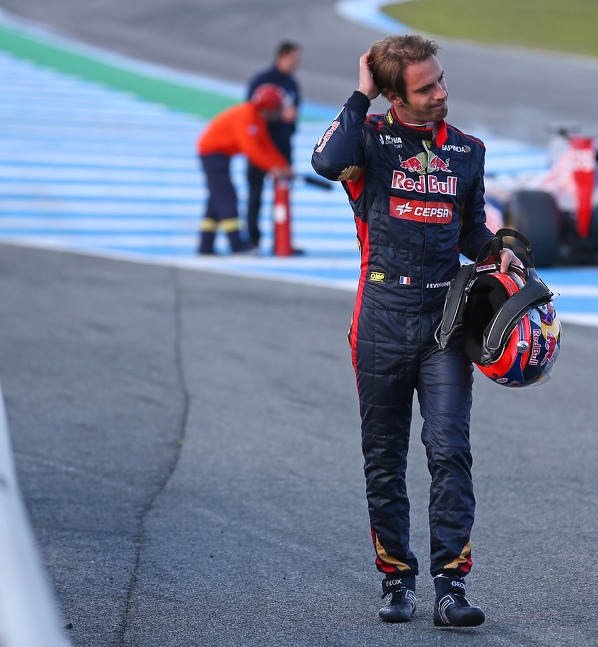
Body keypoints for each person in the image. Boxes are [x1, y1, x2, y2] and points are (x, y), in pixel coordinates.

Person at [310, 34, 518, 627]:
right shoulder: (368, 144)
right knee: (384, 457)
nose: (441, 94)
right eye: (425, 88)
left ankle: (450, 588)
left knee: (449, 450)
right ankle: (396, 579)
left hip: (444, 325)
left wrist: (498, 251)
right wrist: (360, 93)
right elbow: (325, 162)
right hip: (378, 320)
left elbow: (473, 233)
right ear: (395, 97)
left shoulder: (468, 152)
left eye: (441, 80)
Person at [196, 84, 292, 255]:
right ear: (268, 108)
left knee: (216, 199)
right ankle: (236, 244)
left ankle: (205, 245)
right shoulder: (247, 116)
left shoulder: (256, 118)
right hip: (212, 154)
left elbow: (266, 146)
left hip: (218, 155)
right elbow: (251, 149)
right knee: (227, 198)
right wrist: (273, 168)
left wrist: (282, 165)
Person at [245, 41, 302, 250]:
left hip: (284, 145)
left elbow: (294, 112)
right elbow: (252, 113)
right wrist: (280, 118)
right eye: (295, 58)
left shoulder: (292, 83)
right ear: (283, 56)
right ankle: (253, 239)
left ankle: (283, 241)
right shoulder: (262, 80)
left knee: (283, 193)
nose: (298, 62)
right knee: (255, 194)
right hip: (261, 143)